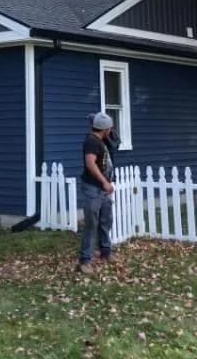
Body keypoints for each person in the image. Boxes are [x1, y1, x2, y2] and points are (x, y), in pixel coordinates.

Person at [77, 111, 115, 274]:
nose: (111, 130)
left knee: (106, 220)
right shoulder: (92, 142)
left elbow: (115, 141)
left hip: (102, 189)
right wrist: (104, 182)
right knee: (91, 224)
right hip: (93, 188)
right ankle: (85, 260)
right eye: (110, 128)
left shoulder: (101, 139)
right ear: (105, 129)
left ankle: (105, 252)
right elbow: (90, 164)